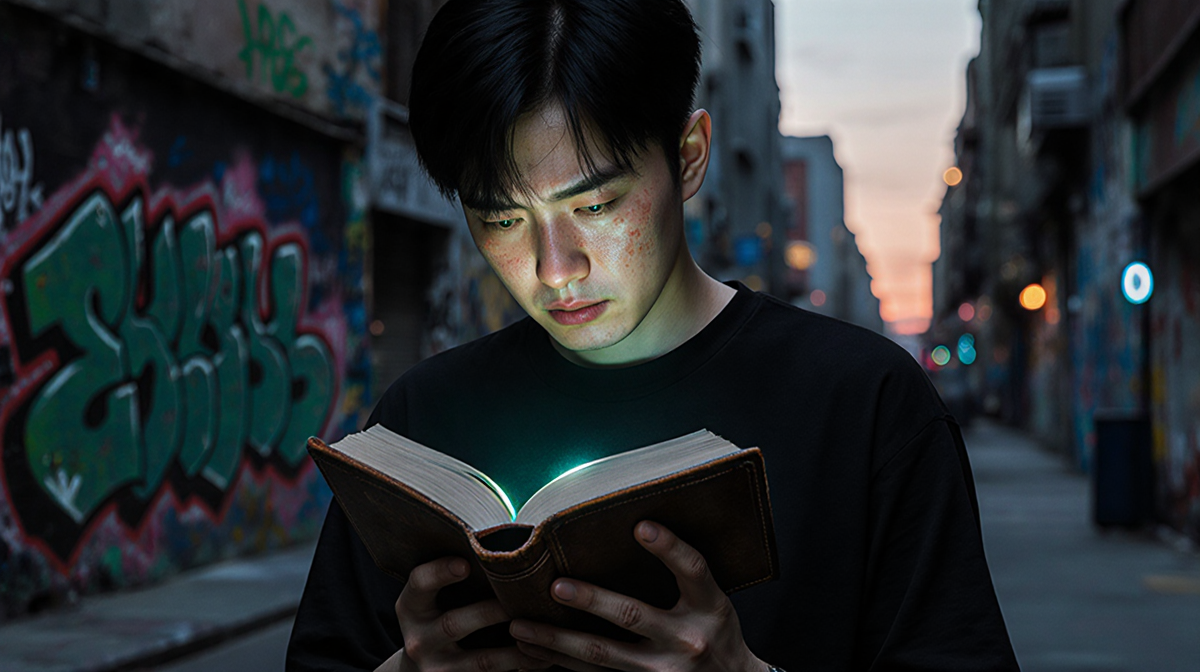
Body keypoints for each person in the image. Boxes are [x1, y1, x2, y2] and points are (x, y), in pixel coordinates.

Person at [286, 0, 1020, 670]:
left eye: (597, 204)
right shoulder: (419, 426)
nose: (555, 269)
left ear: (690, 156)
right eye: (503, 220)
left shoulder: (867, 405)